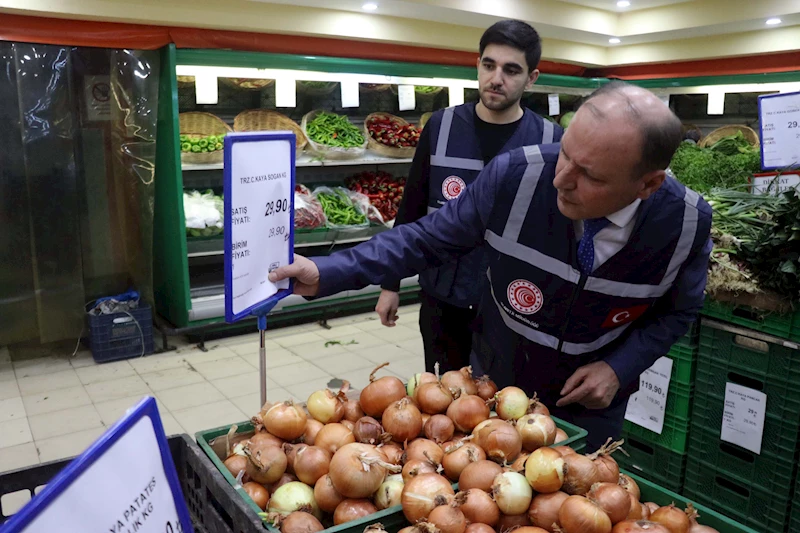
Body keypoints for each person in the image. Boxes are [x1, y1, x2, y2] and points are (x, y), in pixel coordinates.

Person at [269, 81, 713, 451]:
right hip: (494, 386)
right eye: (565, 154)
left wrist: (620, 367)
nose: (561, 179)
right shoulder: (516, 177)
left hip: (589, 403)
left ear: (648, 184)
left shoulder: (685, 225)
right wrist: (328, 272)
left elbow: (678, 310)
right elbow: (427, 237)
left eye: (590, 176)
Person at [375, 19, 563, 374]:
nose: (496, 78)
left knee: (500, 405)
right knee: (443, 401)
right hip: (442, 296)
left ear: (531, 78)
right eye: (489, 65)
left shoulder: (552, 140)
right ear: (477, 64)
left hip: (511, 306)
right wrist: (391, 285)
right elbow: (412, 207)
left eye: (511, 70)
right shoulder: (441, 126)